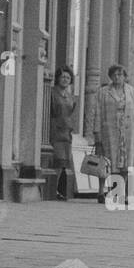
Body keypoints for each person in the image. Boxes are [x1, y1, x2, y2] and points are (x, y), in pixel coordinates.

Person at [89, 63, 134, 204]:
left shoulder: (131, 91)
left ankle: (121, 193)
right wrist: (97, 132)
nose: (118, 77)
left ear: (125, 77)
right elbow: (97, 112)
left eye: (121, 74)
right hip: (109, 131)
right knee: (106, 162)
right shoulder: (104, 91)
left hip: (127, 133)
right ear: (111, 77)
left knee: (125, 164)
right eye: (115, 75)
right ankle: (101, 191)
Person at [49, 65, 77, 200]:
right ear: (58, 78)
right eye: (63, 77)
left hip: (67, 131)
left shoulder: (70, 96)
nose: (65, 80)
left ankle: (57, 189)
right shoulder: (52, 92)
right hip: (55, 129)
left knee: (63, 162)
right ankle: (52, 189)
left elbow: (71, 112)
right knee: (56, 160)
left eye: (68, 77)